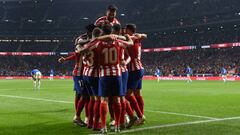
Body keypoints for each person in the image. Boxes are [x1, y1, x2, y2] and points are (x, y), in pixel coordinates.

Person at [125, 24, 147, 127]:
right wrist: (141, 35)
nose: (124, 31)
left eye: (126, 30)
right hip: (139, 69)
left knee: (127, 95)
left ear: (129, 30)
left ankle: (140, 116)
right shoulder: (137, 39)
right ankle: (140, 117)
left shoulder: (131, 38)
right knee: (137, 94)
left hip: (134, 70)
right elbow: (144, 35)